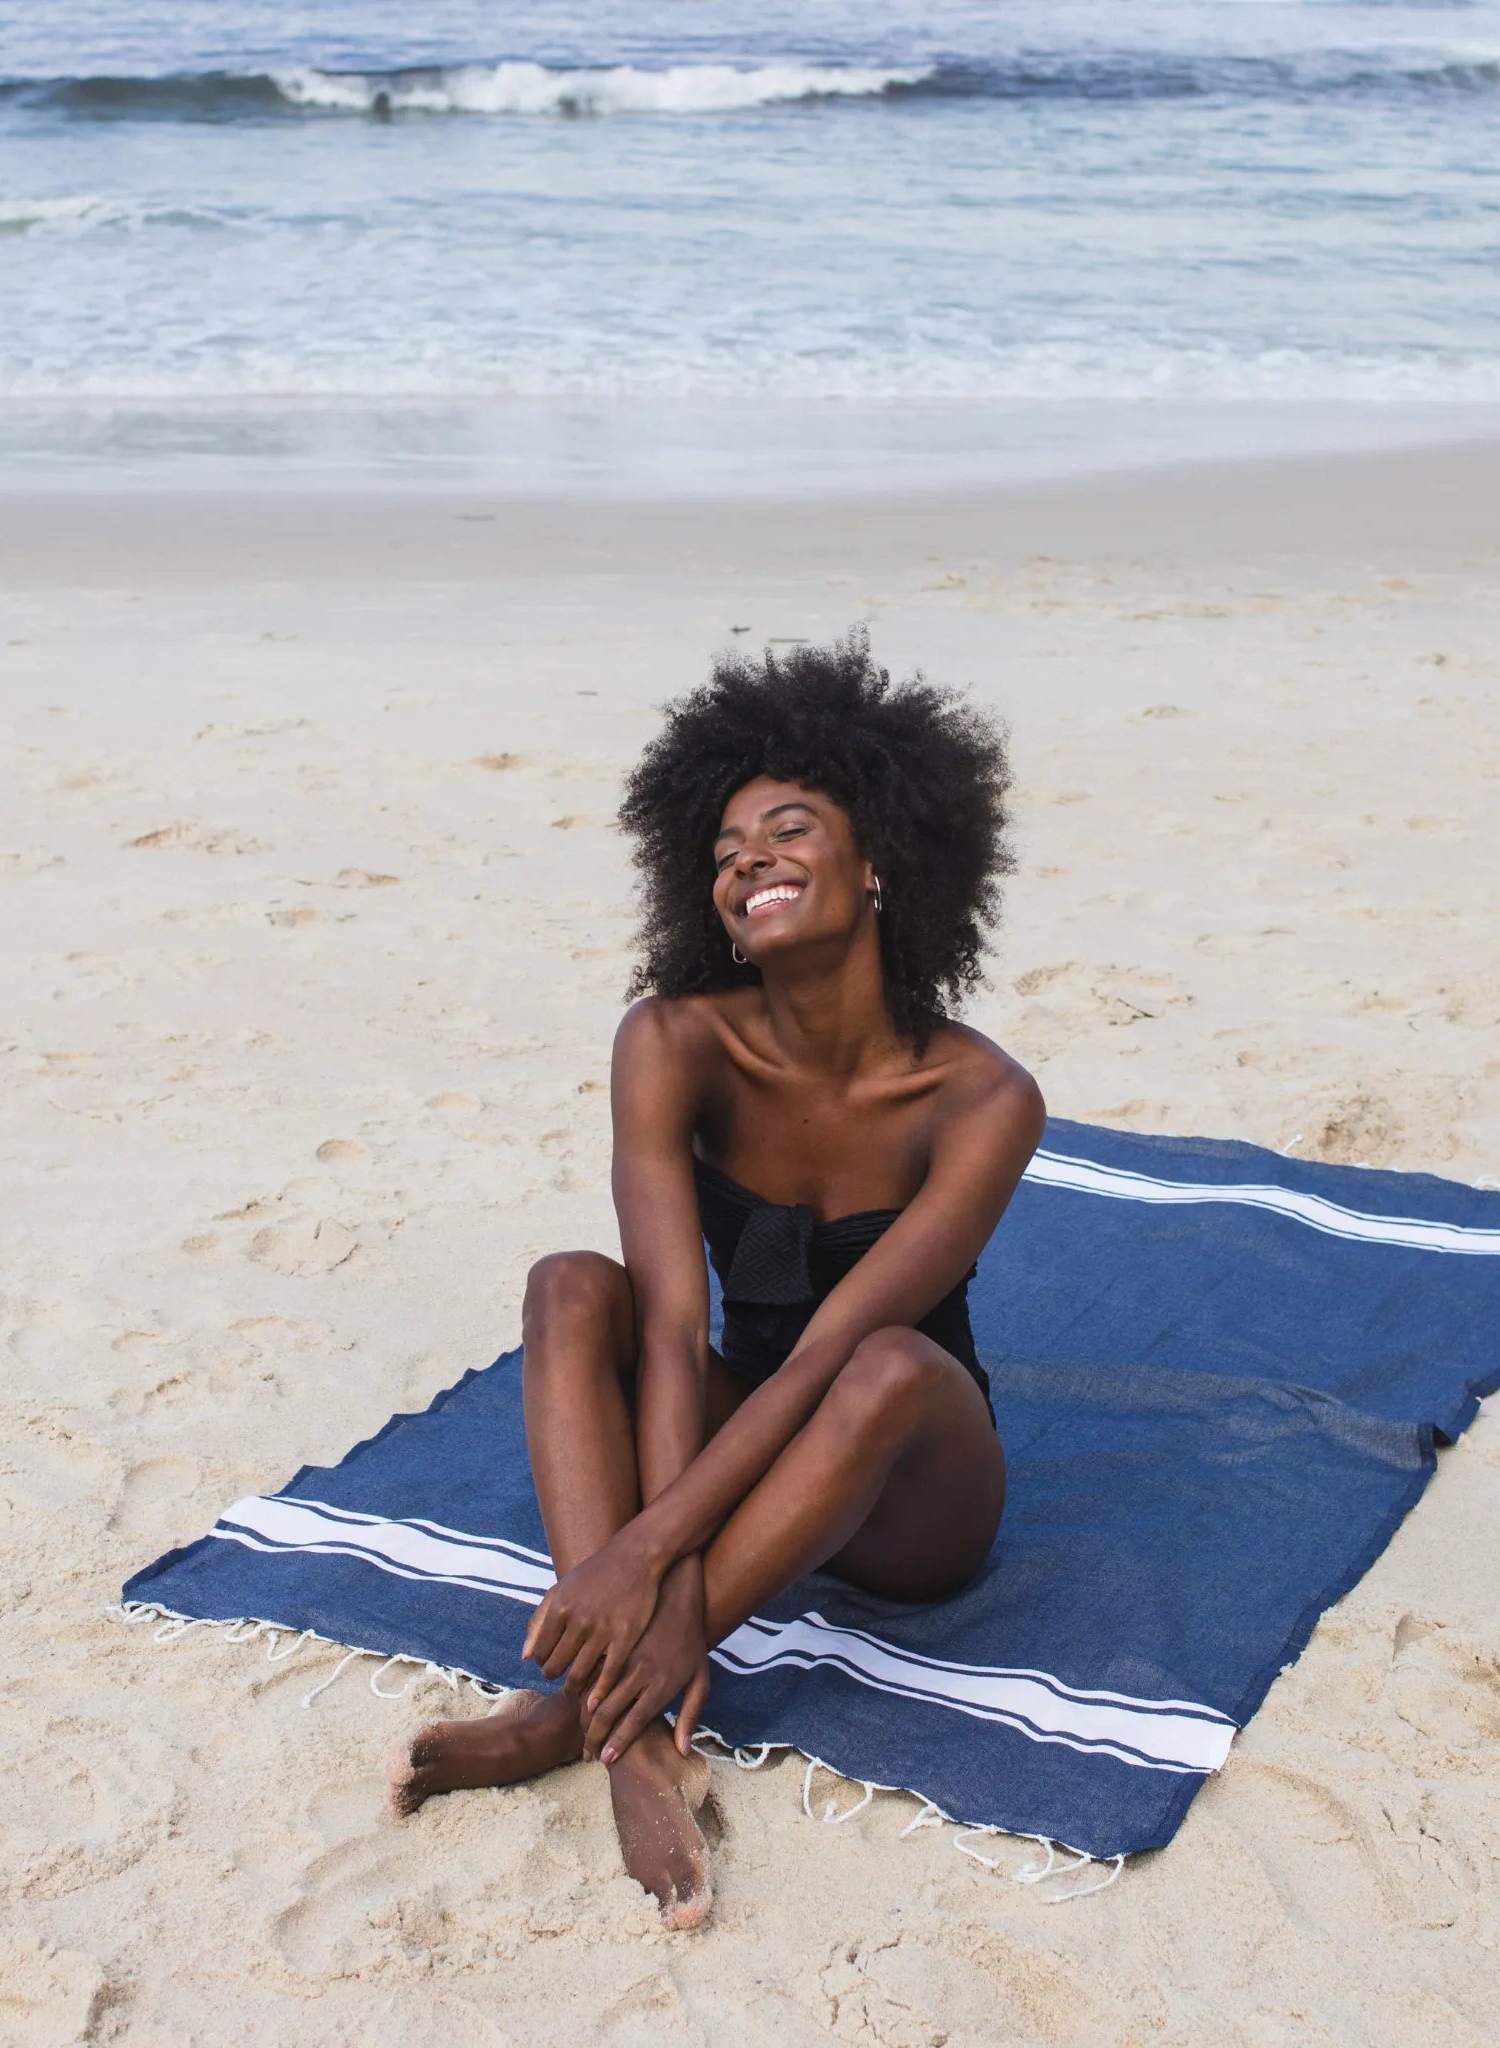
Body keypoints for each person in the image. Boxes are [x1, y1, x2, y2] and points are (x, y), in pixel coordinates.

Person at [388, 632, 1042, 1927]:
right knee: (572, 1285)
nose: (748, 863)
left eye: (788, 832)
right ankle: (628, 1738)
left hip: (912, 1478)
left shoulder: (983, 1097)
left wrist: (651, 1554)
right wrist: (639, 1566)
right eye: (728, 851)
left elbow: (829, 1355)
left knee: (883, 1362)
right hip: (746, 1425)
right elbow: (678, 1332)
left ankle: (591, 1701)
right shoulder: (671, 1042)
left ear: (878, 866)